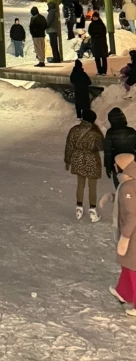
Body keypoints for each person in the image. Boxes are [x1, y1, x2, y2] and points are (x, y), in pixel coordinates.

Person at [64, 109, 104, 222]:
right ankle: (92, 211)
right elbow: (101, 146)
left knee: (80, 184)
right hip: (92, 159)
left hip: (78, 158)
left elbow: (69, 146)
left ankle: (79, 209)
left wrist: (67, 161)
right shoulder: (95, 132)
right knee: (92, 186)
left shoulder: (74, 130)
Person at [109, 155, 136, 317]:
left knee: (133, 266)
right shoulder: (130, 182)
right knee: (127, 263)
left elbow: (132, 214)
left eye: (116, 164)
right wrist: (112, 198)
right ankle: (123, 292)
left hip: (132, 233)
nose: (114, 166)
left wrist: (125, 238)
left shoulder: (128, 186)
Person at [105, 108, 136, 190]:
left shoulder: (110, 133)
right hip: (131, 160)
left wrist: (108, 166)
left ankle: (120, 198)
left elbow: (108, 152)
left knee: (119, 184)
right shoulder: (131, 131)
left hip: (118, 162)